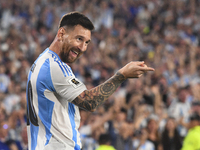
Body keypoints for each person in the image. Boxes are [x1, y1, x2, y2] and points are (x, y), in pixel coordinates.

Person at [26, 11, 155, 150]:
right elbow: (89, 102)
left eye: (86, 42)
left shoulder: (42, 61)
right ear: (61, 34)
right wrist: (121, 75)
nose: (82, 48)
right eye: (79, 39)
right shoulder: (54, 67)